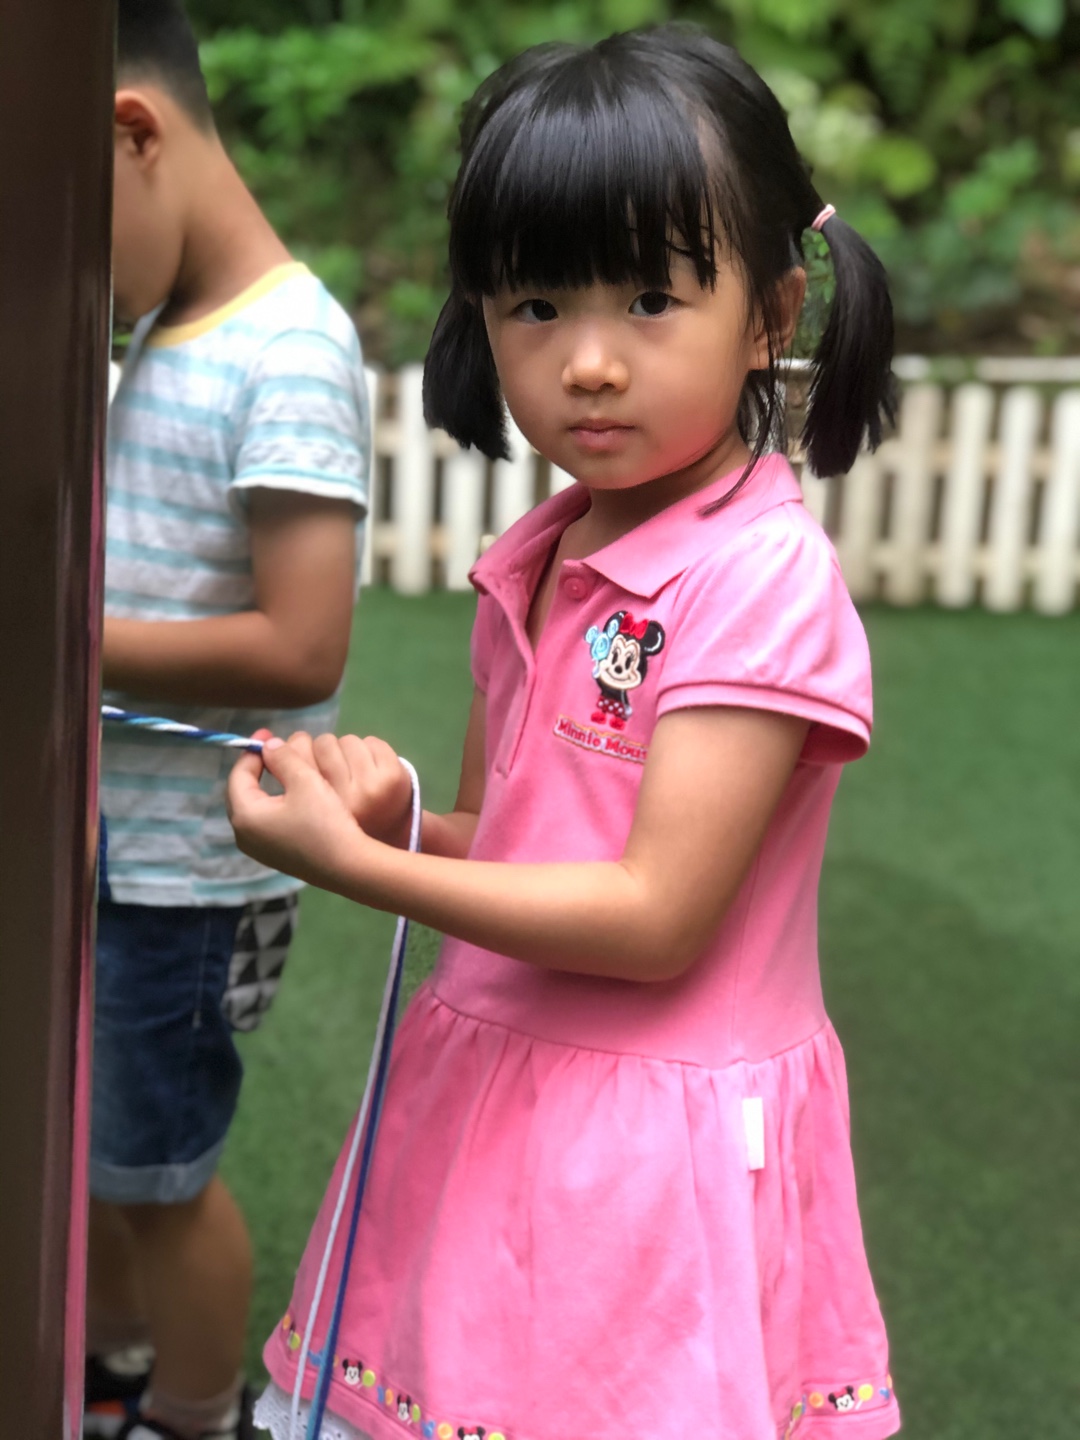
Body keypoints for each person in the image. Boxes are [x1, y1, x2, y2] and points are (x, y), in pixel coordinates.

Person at [229, 26, 900, 1440]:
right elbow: (514, 839)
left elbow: (654, 915)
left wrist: (360, 870)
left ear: (771, 312)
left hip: (651, 1151)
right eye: (536, 304)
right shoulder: (536, 559)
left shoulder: (759, 577)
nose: (589, 362)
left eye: (652, 298)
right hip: (487, 1088)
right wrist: (403, 818)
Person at [84, 3, 370, 1438]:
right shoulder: (160, 326)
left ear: (131, 133)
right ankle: (109, 1360)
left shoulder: (289, 345)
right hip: (114, 845)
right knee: (100, 1154)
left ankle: (196, 1411)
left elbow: (302, 643)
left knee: (160, 1174)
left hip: (191, 870)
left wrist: (63, 645)